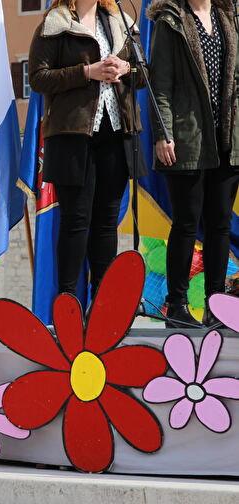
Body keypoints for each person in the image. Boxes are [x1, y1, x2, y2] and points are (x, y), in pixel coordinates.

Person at [28, 0, 147, 300]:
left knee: (107, 222)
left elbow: (145, 75)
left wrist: (126, 67)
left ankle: (103, 304)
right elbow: (38, 78)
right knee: (76, 221)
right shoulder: (53, 24)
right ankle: (67, 301)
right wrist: (88, 72)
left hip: (116, 132)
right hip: (72, 136)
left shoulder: (120, 22)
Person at [148, 0, 239, 327]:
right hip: (187, 137)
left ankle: (216, 306)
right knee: (186, 223)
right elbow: (160, 85)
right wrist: (163, 133)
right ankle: (177, 305)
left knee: (220, 224)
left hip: (227, 139)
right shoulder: (170, 20)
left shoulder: (228, 14)